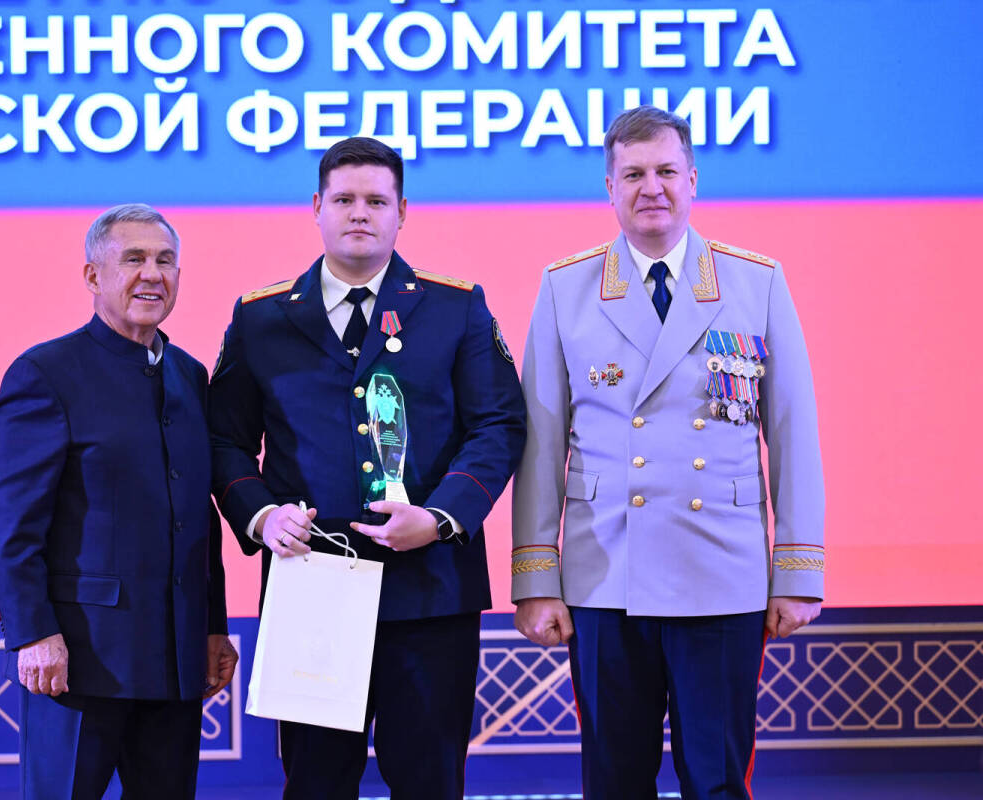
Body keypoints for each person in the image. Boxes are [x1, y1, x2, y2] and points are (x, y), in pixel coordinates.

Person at [511, 106, 825, 800]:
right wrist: (535, 577)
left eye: (665, 172)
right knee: (614, 781)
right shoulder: (566, 287)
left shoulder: (756, 281)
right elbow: (541, 442)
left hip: (722, 572)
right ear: (609, 187)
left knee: (716, 780)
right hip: (604, 576)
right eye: (633, 175)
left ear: (692, 180)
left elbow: (792, 430)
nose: (650, 188)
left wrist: (799, 569)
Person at [209, 136, 526, 800]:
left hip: (431, 591)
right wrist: (261, 516)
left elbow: (498, 424)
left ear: (402, 211)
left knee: (430, 782)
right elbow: (223, 440)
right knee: (316, 784)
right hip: (310, 587)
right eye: (344, 199)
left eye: (377, 201)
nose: (360, 213)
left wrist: (441, 517)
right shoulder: (260, 318)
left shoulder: (455, 307)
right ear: (316, 207)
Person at [0, 203, 237, 799]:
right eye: (134, 259)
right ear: (93, 276)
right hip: (77, 662)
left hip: (175, 662)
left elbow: (196, 515)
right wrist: (33, 634)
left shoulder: (189, 375)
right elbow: (14, 528)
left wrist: (211, 628)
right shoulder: (45, 373)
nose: (152, 274)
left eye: (165, 261)